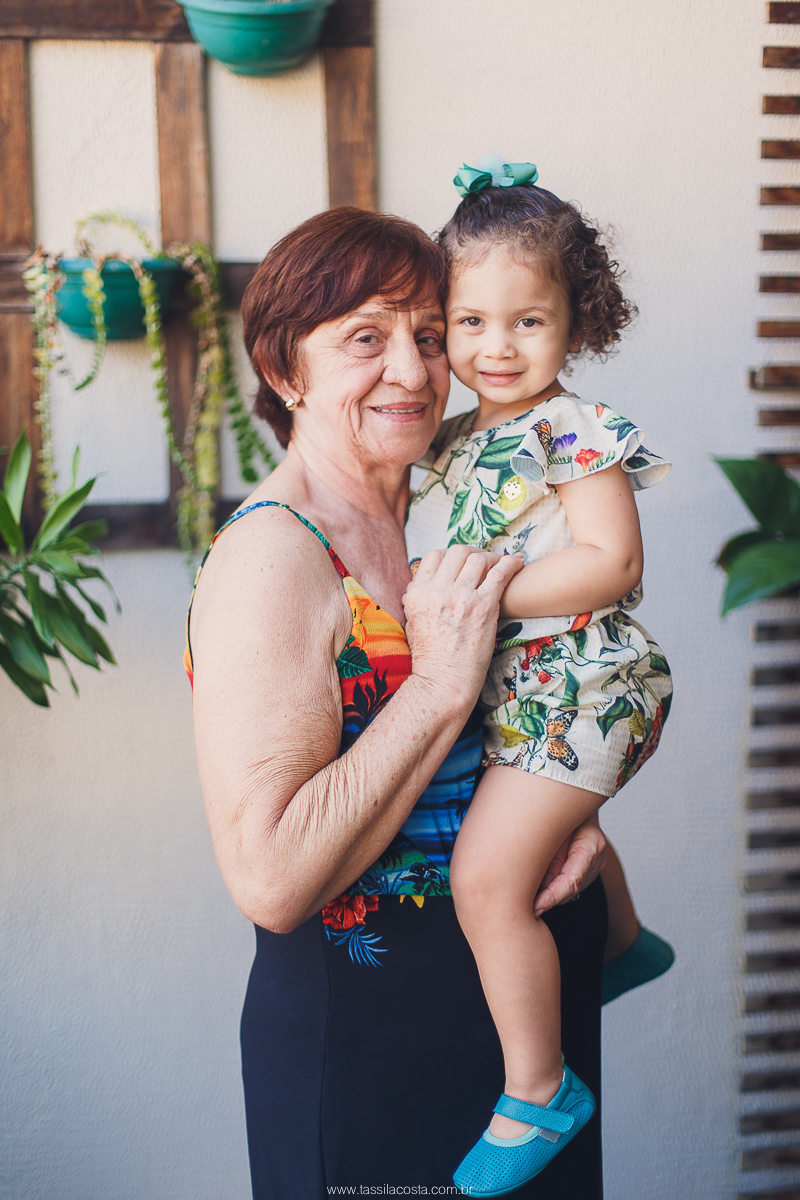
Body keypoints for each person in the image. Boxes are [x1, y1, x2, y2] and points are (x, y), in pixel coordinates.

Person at [185, 206, 608, 1198]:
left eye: (429, 335)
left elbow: (511, 724)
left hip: (512, 1044)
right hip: (371, 1052)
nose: (413, 372)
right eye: (366, 339)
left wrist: (566, 816)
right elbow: (272, 878)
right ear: (285, 370)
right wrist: (438, 684)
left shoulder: (433, 518)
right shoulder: (274, 556)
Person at [404, 159, 674, 1196]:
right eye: (469, 323)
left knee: (484, 878)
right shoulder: (452, 441)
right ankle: (621, 942)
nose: (496, 347)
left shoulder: (573, 428)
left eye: (528, 321)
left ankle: (538, 1088)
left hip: (585, 683)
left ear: (577, 319)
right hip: (525, 690)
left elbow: (613, 564)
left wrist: (480, 594)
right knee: (544, 834)